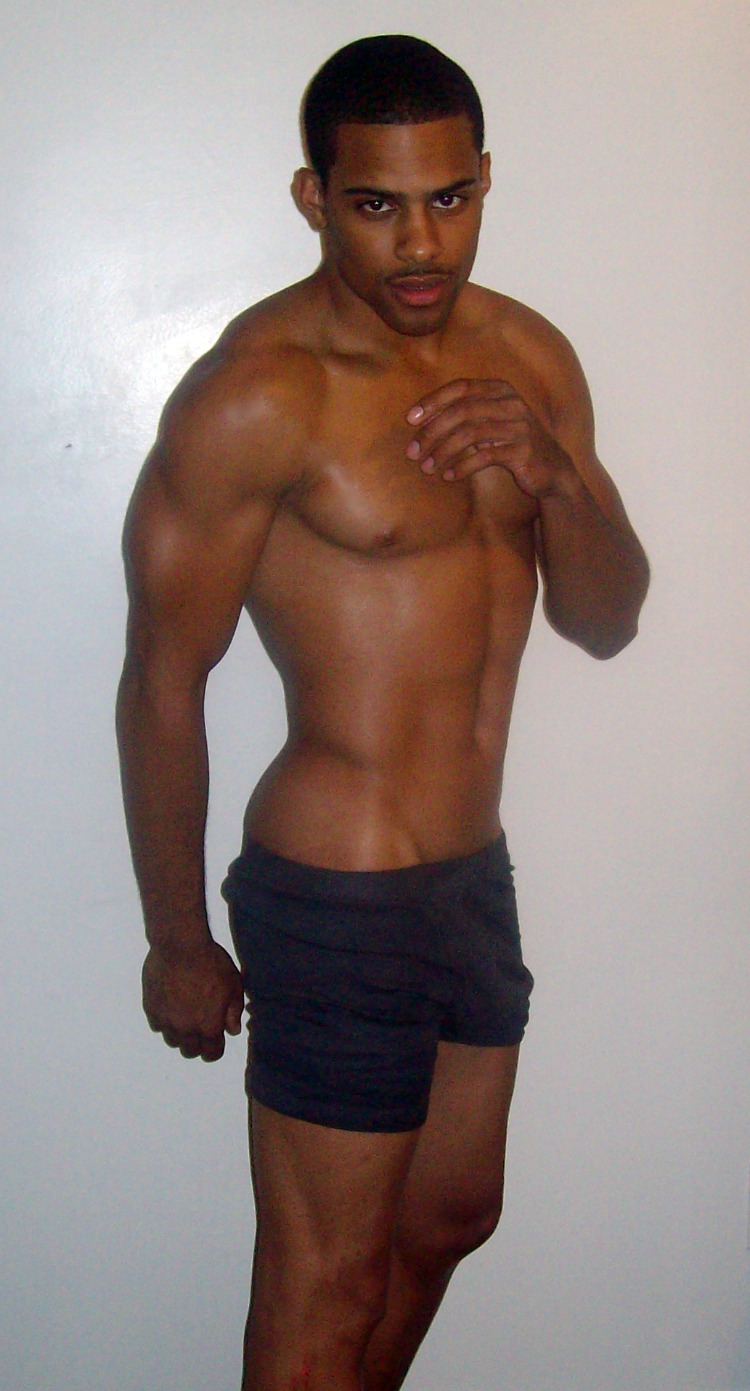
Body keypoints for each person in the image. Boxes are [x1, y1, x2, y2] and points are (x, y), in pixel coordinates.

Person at [116, 34, 649, 1391]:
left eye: (448, 200)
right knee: (323, 1284)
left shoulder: (530, 356)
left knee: (451, 1218)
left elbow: (605, 619)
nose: (419, 244)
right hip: (335, 889)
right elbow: (164, 678)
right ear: (314, 198)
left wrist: (554, 475)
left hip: (471, 877)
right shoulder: (258, 392)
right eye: (375, 205)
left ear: (484, 181)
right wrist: (176, 936)